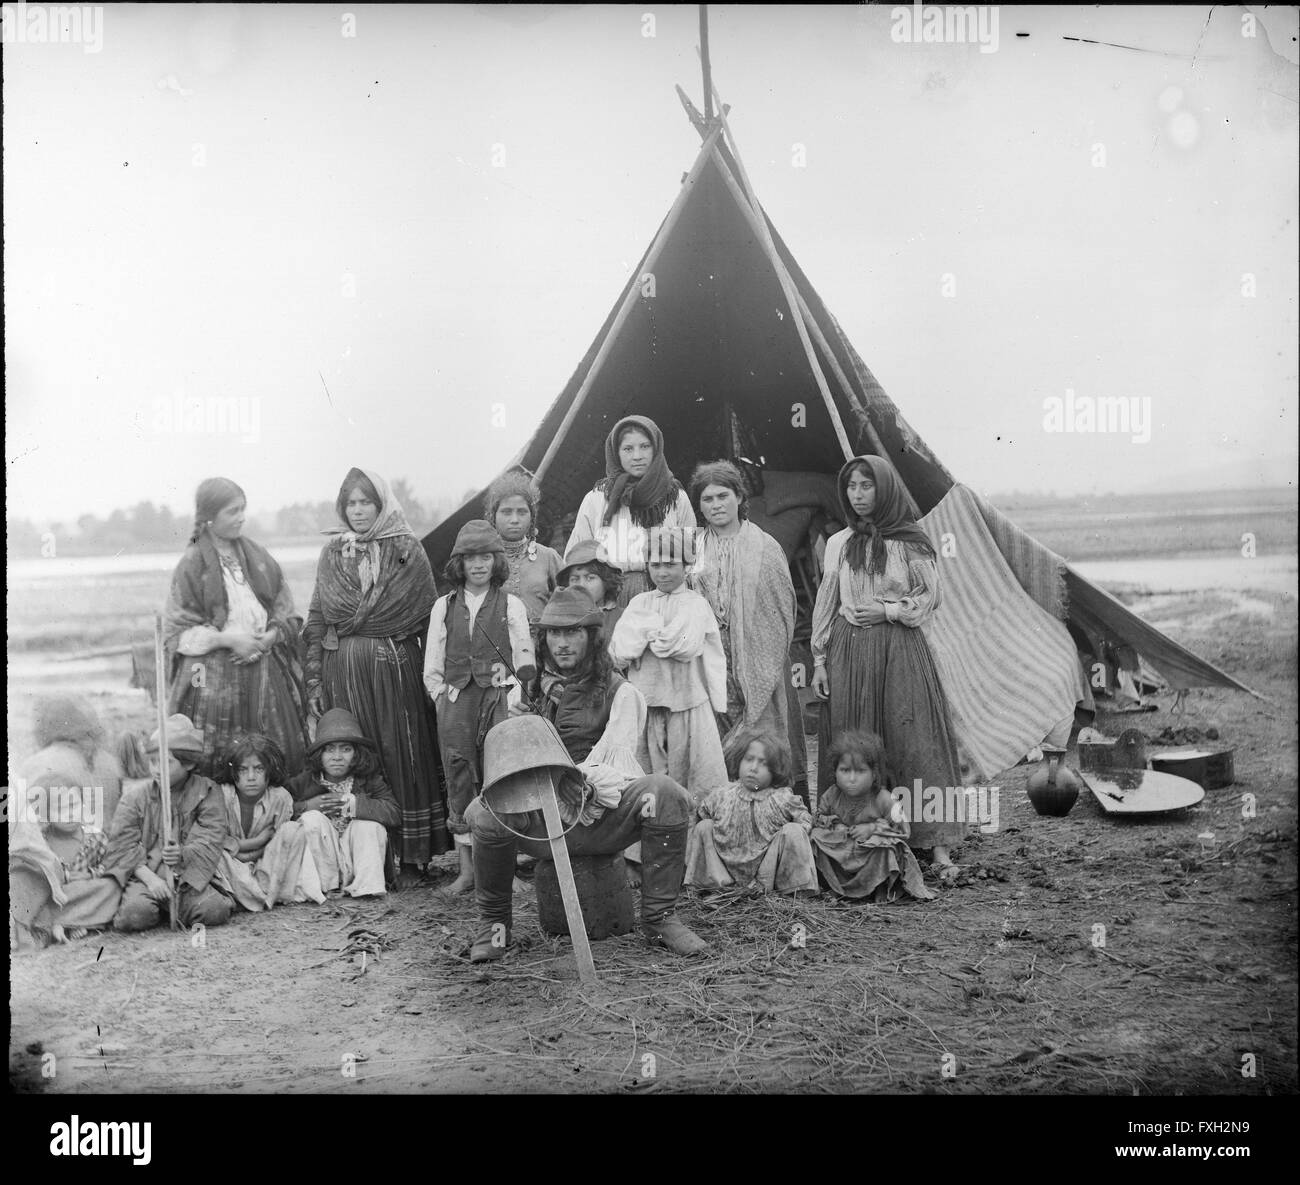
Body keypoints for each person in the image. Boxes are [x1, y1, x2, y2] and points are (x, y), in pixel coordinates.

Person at [466, 586, 708, 961]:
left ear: (592, 638)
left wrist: (567, 778)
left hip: (602, 816)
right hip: (542, 823)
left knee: (664, 793)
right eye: (554, 633)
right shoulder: (524, 693)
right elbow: (507, 770)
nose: (562, 643)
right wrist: (526, 736)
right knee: (485, 813)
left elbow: (614, 765)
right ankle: (495, 928)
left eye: (573, 633)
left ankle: (660, 918)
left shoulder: (621, 693)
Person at [811, 455, 965, 879]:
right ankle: (858, 843)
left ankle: (936, 846)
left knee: (912, 739)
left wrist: (888, 610)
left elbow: (930, 596)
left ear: (885, 488)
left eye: (867, 486)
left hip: (899, 650)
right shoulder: (839, 542)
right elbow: (827, 601)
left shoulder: (910, 540)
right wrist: (820, 659)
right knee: (856, 740)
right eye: (852, 488)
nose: (858, 496)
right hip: (849, 651)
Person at [306, 467, 451, 889]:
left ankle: (410, 860)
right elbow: (317, 617)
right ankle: (362, 859)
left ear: (382, 504)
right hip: (343, 674)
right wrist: (314, 681)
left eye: (366, 502)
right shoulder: (332, 552)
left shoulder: (406, 549)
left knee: (400, 754)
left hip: (395, 672)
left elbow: (428, 620)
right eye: (351, 503)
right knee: (356, 757)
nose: (358, 511)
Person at [164, 477, 309, 780]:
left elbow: (285, 608)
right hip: (213, 676)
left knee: (273, 754)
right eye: (232, 511)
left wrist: (269, 638)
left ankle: (275, 814)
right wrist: (229, 640)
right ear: (208, 516)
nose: (241, 517)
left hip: (265, 667)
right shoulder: (192, 564)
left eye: (243, 509)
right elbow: (177, 630)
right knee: (215, 760)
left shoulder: (258, 557)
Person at [424, 520, 536, 894]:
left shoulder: (511, 604)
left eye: (485, 557)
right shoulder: (444, 605)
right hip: (456, 700)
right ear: (459, 563)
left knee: (501, 777)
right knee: (459, 776)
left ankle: (508, 871)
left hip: (498, 697)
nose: (478, 565)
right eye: (470, 558)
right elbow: (433, 659)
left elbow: (523, 655)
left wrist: (514, 697)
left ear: (495, 561)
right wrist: (440, 694)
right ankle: (467, 871)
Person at [688, 459, 804, 796]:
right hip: (709, 663)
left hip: (757, 660)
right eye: (707, 500)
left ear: (739, 496)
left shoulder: (765, 547)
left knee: (762, 743)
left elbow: (781, 610)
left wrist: (757, 659)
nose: (716, 505)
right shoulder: (693, 548)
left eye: (723, 496)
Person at [609, 525, 729, 804]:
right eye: (656, 564)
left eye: (671, 564)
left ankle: (687, 831)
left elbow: (687, 647)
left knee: (690, 774)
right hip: (647, 701)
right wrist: (650, 633)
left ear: (687, 565)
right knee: (645, 772)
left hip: (686, 701)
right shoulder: (640, 603)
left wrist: (647, 634)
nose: (662, 572)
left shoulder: (695, 605)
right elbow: (620, 650)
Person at [9, 698, 126, 948]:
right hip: (61, 863)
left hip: (79, 864)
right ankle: (60, 920)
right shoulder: (110, 762)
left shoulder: (37, 763)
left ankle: (41, 923)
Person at [104, 715, 235, 932]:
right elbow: (121, 845)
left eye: (166, 763)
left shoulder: (207, 791)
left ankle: (178, 908)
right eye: (153, 762)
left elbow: (211, 835)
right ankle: (152, 907)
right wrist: (151, 880)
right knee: (134, 915)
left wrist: (183, 854)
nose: (157, 769)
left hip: (189, 880)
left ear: (189, 763)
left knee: (214, 910)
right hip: (147, 879)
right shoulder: (135, 798)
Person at [565, 414, 697, 607]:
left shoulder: (675, 497)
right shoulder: (596, 499)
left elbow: (691, 558)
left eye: (645, 446)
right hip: (609, 601)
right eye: (628, 448)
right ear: (616, 452)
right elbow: (576, 558)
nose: (637, 456)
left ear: (656, 448)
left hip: (665, 597)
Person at [685, 730, 817, 894]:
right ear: (739, 761)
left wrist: (784, 839)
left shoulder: (782, 797)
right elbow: (700, 814)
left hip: (766, 873)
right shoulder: (722, 794)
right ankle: (716, 887)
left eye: (763, 763)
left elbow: (805, 822)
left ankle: (793, 891)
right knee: (704, 826)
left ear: (775, 770)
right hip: (725, 868)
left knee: (794, 831)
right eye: (749, 760)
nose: (753, 768)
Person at [287, 709, 400, 898]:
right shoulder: (304, 781)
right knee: (311, 819)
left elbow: (393, 813)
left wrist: (353, 805)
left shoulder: (367, 780)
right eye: (329, 749)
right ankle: (327, 887)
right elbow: (280, 810)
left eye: (346, 749)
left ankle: (367, 888)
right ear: (319, 755)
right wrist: (306, 807)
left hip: (356, 861)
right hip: (325, 862)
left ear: (357, 754)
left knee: (369, 825)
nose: (337, 757)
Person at [810, 730, 933, 902]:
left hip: (871, 853)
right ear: (835, 772)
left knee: (885, 847)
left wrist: (873, 828)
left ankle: (879, 888)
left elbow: (903, 830)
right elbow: (818, 818)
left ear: (874, 774)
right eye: (844, 770)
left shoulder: (884, 798)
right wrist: (835, 824)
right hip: (843, 851)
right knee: (815, 837)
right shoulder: (832, 795)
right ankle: (836, 886)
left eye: (860, 771)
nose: (852, 779)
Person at [218, 734, 323, 910]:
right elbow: (219, 843)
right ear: (233, 773)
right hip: (231, 864)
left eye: (258, 769)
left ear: (269, 771)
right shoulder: (222, 795)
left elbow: (277, 845)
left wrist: (246, 850)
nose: (251, 777)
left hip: (265, 864)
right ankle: (255, 897)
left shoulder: (280, 797)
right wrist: (257, 841)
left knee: (293, 830)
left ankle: (258, 894)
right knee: (215, 855)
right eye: (243, 770)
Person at [485, 469, 562, 640]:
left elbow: (567, 604)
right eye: (506, 512)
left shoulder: (548, 557)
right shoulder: (484, 560)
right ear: (493, 516)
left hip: (541, 650)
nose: (514, 519)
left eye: (522, 512)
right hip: (496, 651)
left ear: (532, 516)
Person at [557, 538, 626, 645]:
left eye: (590, 578)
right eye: (575, 579)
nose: (582, 585)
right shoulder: (559, 620)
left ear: (606, 581)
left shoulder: (624, 618)